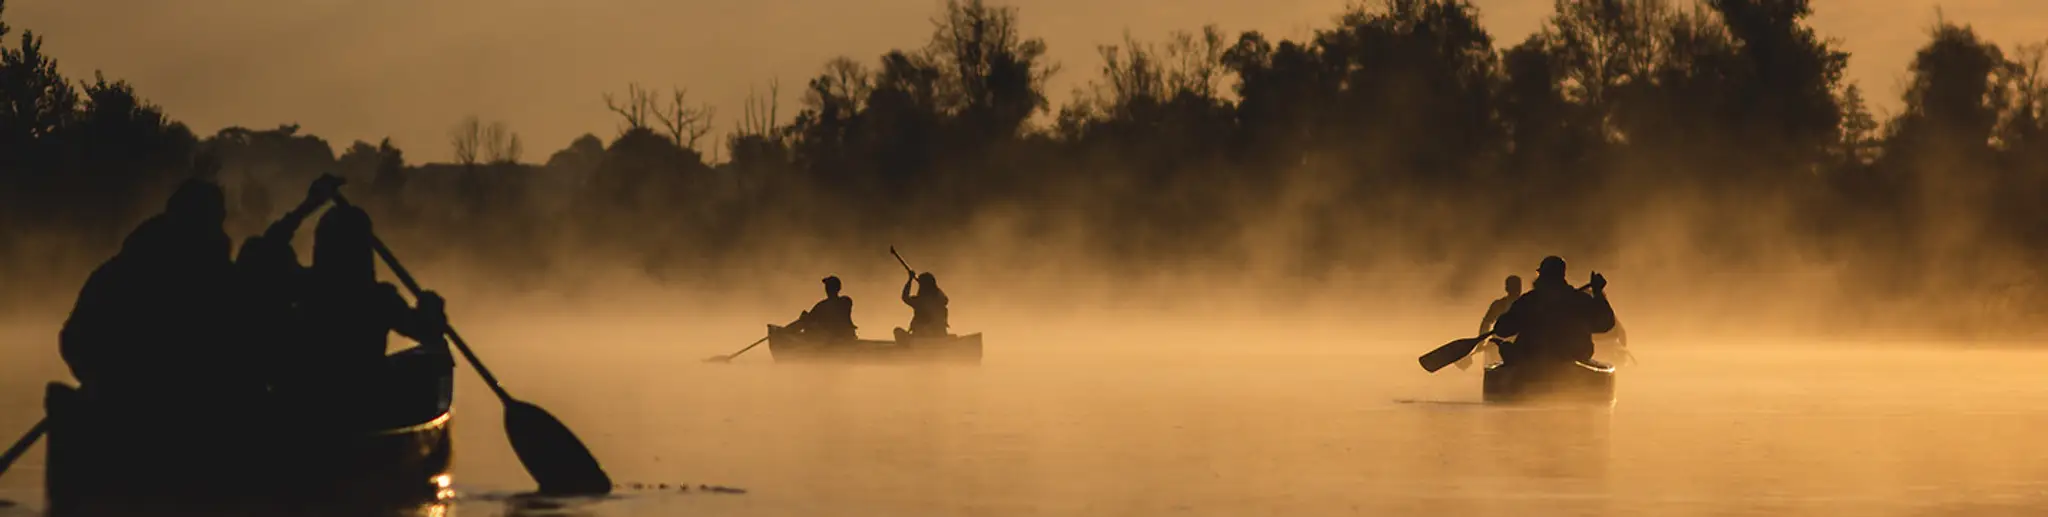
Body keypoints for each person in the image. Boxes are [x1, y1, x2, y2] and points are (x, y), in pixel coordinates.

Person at [238, 176, 450, 422]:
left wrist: (307, 207)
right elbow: (429, 332)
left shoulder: (306, 286)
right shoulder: (379, 298)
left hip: (310, 403)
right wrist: (432, 308)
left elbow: (264, 252)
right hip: (360, 404)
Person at [60, 179, 253, 410]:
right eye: (215, 219)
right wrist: (106, 379)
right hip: (133, 392)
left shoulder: (134, 258)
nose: (220, 227)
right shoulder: (144, 266)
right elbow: (77, 338)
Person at [1490, 256, 1616, 368]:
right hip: (1572, 357)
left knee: (1506, 348)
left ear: (1542, 276)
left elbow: (1502, 330)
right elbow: (1605, 324)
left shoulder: (1528, 301)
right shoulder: (1579, 300)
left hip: (1531, 359)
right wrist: (1598, 293)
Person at [1458, 275, 1522, 370]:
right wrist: (1481, 343)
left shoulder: (1523, 303)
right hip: (1502, 345)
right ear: (1507, 288)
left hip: (1515, 345)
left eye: (1517, 286)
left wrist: (1481, 343)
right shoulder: (1501, 304)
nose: (1516, 289)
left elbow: (1486, 323)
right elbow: (1486, 323)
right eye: (1515, 286)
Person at [790, 276, 857, 342]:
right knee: (807, 321)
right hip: (844, 336)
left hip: (835, 337)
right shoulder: (842, 302)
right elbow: (807, 319)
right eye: (827, 287)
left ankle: (786, 332)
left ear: (837, 289)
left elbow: (807, 320)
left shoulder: (843, 301)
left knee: (807, 323)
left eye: (829, 287)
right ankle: (787, 331)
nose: (827, 289)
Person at [893, 272, 949, 342]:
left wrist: (910, 280)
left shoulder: (920, 301)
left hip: (924, 336)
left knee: (897, 331)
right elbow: (940, 294)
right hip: (936, 335)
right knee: (898, 330)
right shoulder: (940, 298)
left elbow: (905, 297)